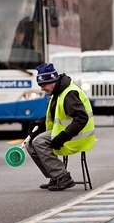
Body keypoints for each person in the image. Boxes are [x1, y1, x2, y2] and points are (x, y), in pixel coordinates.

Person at [26, 63, 96, 191]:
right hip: (67, 132)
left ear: (52, 81)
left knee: (39, 142)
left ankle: (63, 177)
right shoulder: (58, 92)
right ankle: (55, 176)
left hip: (78, 135)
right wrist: (39, 124)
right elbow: (57, 115)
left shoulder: (69, 94)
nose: (42, 89)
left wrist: (63, 137)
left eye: (43, 85)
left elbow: (82, 118)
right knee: (30, 143)